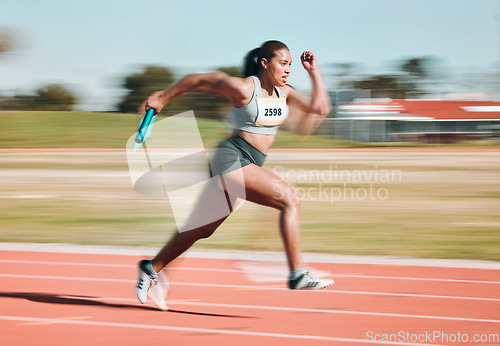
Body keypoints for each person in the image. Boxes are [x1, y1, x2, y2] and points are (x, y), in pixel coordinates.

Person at [136, 40, 334, 310]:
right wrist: (162, 98)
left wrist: (314, 72)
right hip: (231, 158)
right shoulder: (244, 88)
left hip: (251, 163)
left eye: (290, 64)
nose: (288, 69)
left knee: (202, 228)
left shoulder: (284, 93)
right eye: (283, 63)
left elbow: (320, 109)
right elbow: (201, 79)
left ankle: (152, 267)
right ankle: (296, 273)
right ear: (265, 63)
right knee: (289, 198)